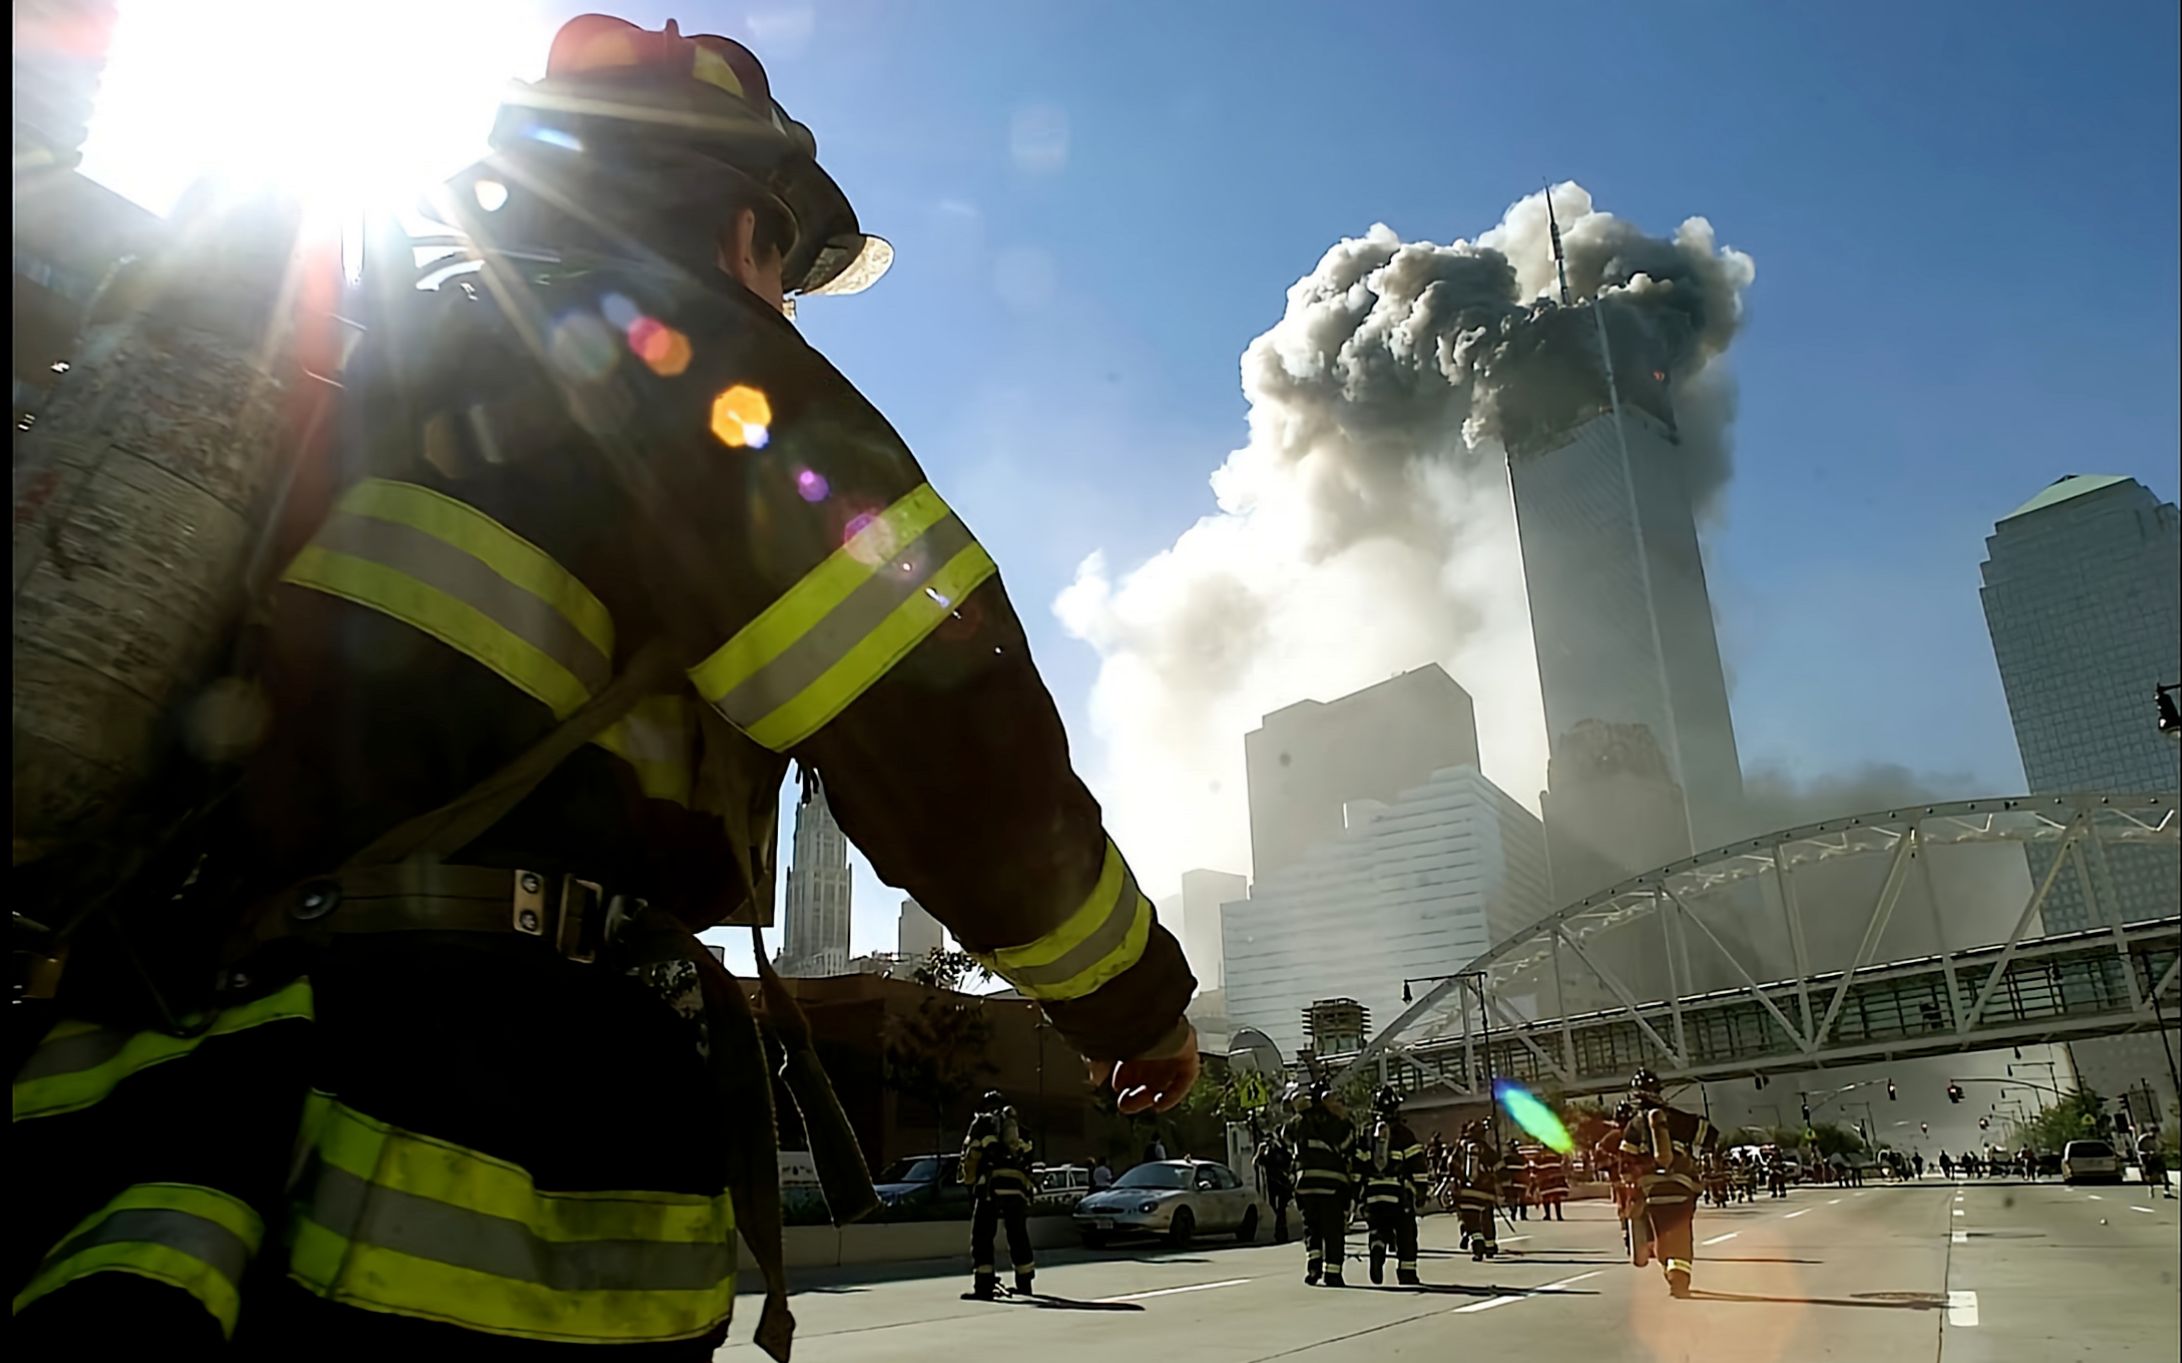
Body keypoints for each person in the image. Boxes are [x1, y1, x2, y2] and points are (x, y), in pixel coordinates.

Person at [7, 16, 1205, 1359]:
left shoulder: (382, 370)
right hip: (466, 1146)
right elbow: (946, 732)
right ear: (745, 215)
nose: (788, 302)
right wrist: (1133, 999)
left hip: (162, 1110)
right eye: (785, 264)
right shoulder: (692, 373)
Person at [1616, 1068, 1718, 1300]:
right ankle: (1679, 1278)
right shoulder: (1675, 1117)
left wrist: (1633, 1186)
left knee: (1661, 1234)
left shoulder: (1634, 1126)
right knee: (1682, 1233)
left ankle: (1670, 1271)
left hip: (1653, 1191)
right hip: (1683, 1187)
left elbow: (1625, 1163)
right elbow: (1709, 1134)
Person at [962, 1091, 1036, 1298]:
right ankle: (1025, 1283)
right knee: (1018, 1234)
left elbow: (971, 1156)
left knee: (983, 1235)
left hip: (990, 1187)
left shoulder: (982, 1124)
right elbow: (1029, 1160)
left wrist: (970, 1184)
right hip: (1017, 1189)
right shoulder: (1021, 1131)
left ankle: (984, 1286)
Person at [1285, 1081, 1357, 1286]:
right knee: (1332, 1230)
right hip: (1332, 1184)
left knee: (1312, 1227)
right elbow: (1348, 1146)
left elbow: (1285, 1139)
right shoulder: (1338, 1123)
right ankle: (1333, 1272)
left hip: (1305, 1183)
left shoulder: (1298, 1121)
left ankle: (1314, 1267)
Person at [1356, 1086, 1429, 1286]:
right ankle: (1407, 1273)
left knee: (1377, 1228)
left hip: (1373, 1194)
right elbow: (1417, 1164)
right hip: (1399, 1194)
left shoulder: (1366, 1133)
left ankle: (1377, 1249)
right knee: (1406, 1233)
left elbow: (1358, 1164)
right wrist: (1421, 1190)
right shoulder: (1404, 1134)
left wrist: (1356, 1192)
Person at [1451, 1120, 1505, 1262]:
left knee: (1471, 1222)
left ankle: (1478, 1247)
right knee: (1487, 1219)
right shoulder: (1487, 1149)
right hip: (1485, 1193)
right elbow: (1500, 1168)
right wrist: (1503, 1186)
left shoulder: (1460, 1148)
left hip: (1466, 1194)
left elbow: (1451, 1165)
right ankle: (1490, 1246)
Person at [1254, 1127, 1296, 1243]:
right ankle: (1281, 1232)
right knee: (1277, 1209)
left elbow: (1290, 1164)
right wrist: (1259, 1152)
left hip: (1282, 1183)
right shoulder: (1269, 1149)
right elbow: (1256, 1163)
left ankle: (1281, 1234)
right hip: (1272, 1183)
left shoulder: (1283, 1149)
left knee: (1280, 1209)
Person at [1533, 1146, 1570, 1220]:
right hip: (1556, 1177)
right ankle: (1559, 1216)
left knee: (1546, 1197)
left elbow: (1536, 1168)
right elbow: (1562, 1163)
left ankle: (1548, 1215)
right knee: (1556, 1197)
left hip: (1545, 1178)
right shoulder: (1556, 1154)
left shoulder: (1540, 1155)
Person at [2136, 1129, 2174, 1198]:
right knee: (2150, 1176)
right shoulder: (2143, 1139)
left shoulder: (2157, 1139)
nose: (2155, 1135)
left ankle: (2166, 1191)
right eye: (2154, 1133)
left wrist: (2165, 1149)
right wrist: (2147, 1153)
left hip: (2157, 1158)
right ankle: (2151, 1188)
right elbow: (2138, 1151)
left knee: (2164, 1174)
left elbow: (2163, 1146)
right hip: (2148, 1159)